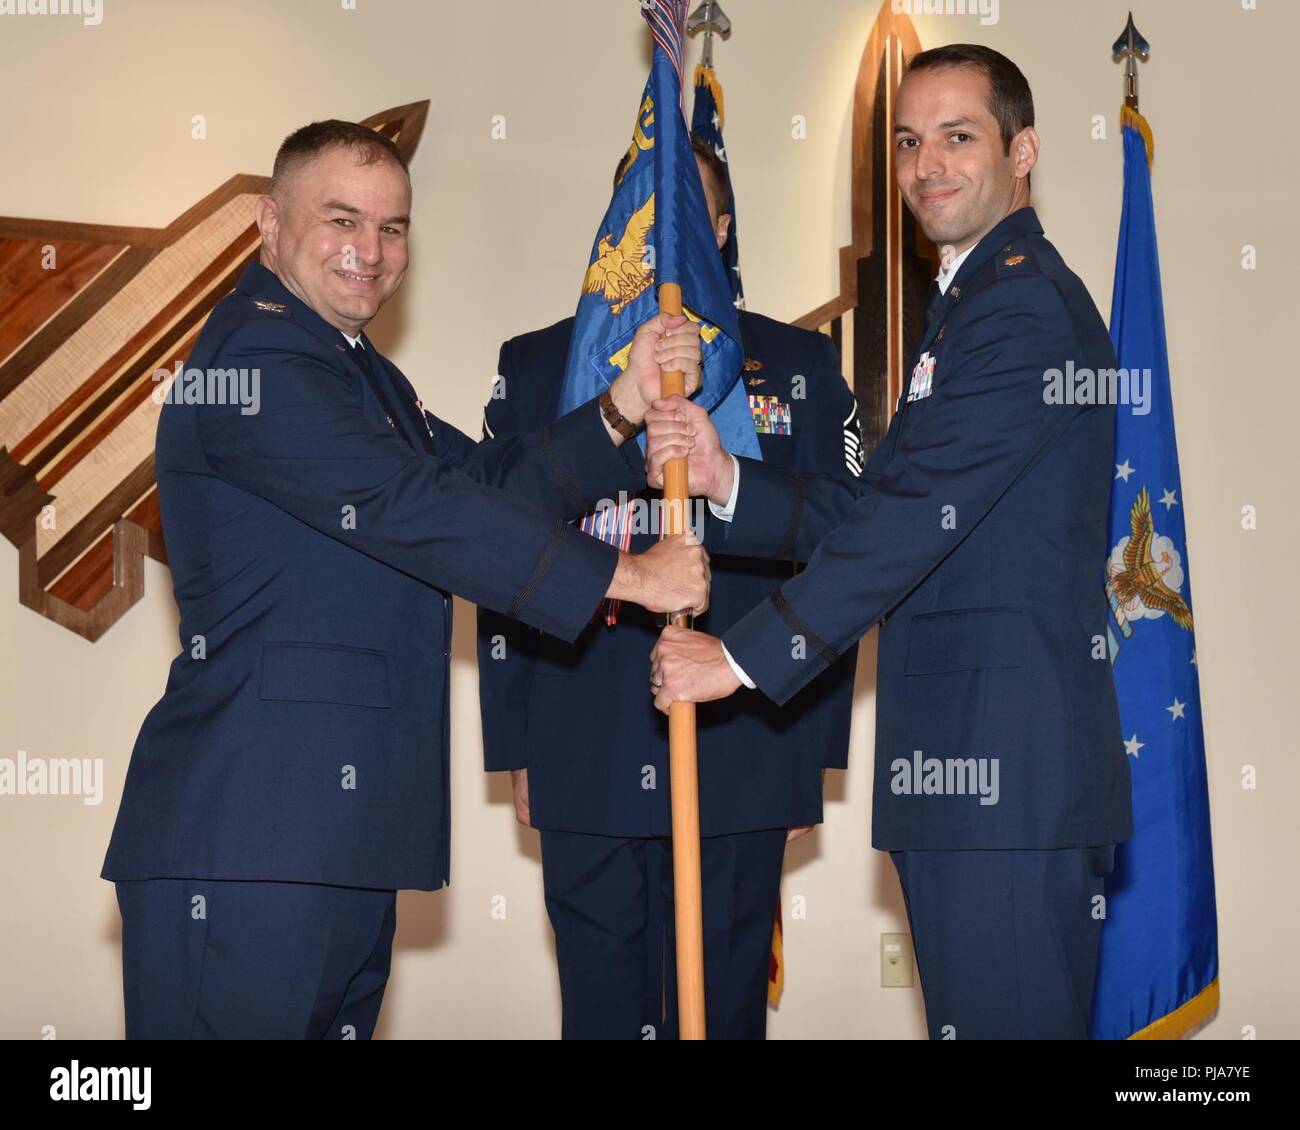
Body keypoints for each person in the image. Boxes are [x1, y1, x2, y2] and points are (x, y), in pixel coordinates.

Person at [102, 118, 707, 1039]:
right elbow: (410, 507)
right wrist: (627, 576)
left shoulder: (355, 371)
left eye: (392, 228)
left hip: (336, 839)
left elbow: (479, 485)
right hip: (253, 843)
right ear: (269, 222)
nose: (370, 252)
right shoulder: (257, 359)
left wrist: (623, 408)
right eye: (342, 220)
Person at [646, 46, 1133, 1040]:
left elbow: (907, 523)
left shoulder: (1020, 309)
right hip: (973, 782)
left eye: (958, 136)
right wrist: (732, 476)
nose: (926, 165)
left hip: (1005, 782)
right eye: (910, 141)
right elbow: (897, 506)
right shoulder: (971, 303)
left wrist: (737, 659)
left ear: (1023, 149)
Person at [476, 136, 863, 1039]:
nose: (666, 237)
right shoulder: (539, 367)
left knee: (720, 1010)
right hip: (583, 737)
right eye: (643, 217)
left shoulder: (798, 367)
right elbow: (491, 558)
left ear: (721, 231)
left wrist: (812, 757)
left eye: (691, 215)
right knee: (603, 1012)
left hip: (747, 739)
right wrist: (518, 746)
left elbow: (848, 552)